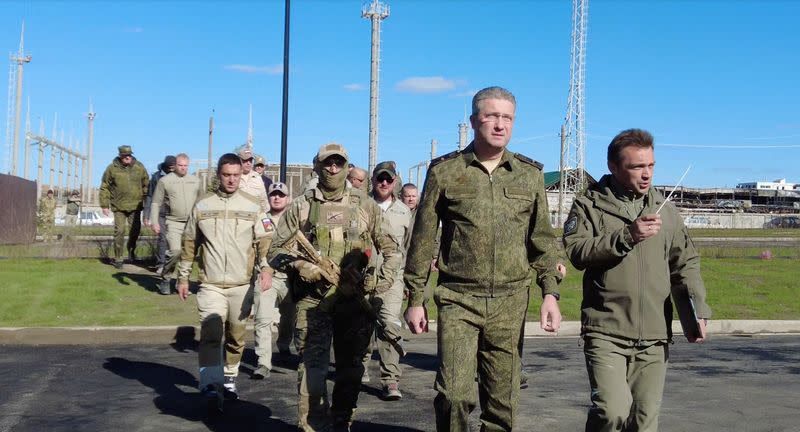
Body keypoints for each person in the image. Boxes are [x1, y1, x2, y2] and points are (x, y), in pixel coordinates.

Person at [403, 86, 563, 432]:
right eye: (491, 116)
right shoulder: (445, 172)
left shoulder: (529, 175)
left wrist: (550, 292)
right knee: (455, 395)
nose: (499, 124)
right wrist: (416, 298)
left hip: (510, 302)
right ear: (474, 120)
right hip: (459, 298)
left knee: (502, 402)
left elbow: (542, 240)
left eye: (507, 117)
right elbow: (423, 238)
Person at [562, 128, 712, 432]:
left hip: (655, 336)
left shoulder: (666, 210)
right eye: (636, 167)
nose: (646, 175)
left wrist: (697, 312)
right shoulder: (589, 205)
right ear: (614, 167)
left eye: (651, 166)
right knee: (612, 411)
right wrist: (627, 235)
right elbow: (577, 251)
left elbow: (685, 263)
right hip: (606, 330)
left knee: (643, 423)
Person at [268, 142, 402, 432]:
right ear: (317, 166)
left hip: (353, 302)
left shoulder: (363, 205)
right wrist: (302, 267)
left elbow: (392, 250)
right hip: (313, 303)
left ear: (346, 166)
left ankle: (342, 421)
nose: (333, 168)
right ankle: (314, 425)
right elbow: (275, 251)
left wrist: (378, 282)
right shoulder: (302, 206)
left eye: (338, 163)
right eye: (327, 163)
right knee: (313, 370)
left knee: (350, 371)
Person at [176, 153, 271, 407]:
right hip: (211, 284)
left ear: (242, 175)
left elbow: (265, 242)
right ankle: (209, 384)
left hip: (241, 283)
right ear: (219, 175)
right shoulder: (203, 204)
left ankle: (229, 378)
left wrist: (266, 268)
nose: (231, 180)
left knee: (236, 336)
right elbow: (188, 242)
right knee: (210, 333)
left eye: (236, 175)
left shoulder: (253, 205)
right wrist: (182, 276)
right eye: (226, 175)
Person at [362, 161, 412, 400]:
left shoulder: (404, 211)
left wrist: (410, 284)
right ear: (373, 180)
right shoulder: (362, 206)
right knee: (362, 327)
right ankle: (359, 369)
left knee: (389, 325)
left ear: (395, 182)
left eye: (388, 179)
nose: (384, 183)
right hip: (362, 278)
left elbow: (409, 247)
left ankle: (390, 379)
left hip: (393, 280)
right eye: (380, 179)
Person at [252, 181, 296, 379]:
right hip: (266, 275)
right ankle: (263, 363)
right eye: (273, 194)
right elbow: (256, 249)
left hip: (291, 278)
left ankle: (284, 345)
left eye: (281, 195)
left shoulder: (295, 220)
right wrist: (263, 271)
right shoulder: (260, 220)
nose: (277, 198)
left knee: (290, 317)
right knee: (263, 318)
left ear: (288, 198)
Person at [149, 153, 202, 295]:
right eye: (180, 165)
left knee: (188, 255)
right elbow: (155, 202)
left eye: (185, 166)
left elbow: (202, 202)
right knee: (175, 251)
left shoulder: (196, 181)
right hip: (173, 222)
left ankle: (182, 283)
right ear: (175, 165)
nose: (183, 168)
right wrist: (154, 222)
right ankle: (165, 278)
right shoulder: (165, 181)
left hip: (192, 223)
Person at [99, 145, 149, 269]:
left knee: (135, 232)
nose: (128, 157)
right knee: (119, 231)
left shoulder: (139, 167)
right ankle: (118, 258)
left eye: (129, 155)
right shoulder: (112, 169)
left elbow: (146, 184)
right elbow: (104, 187)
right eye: (125, 156)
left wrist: (146, 199)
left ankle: (131, 251)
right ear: (120, 156)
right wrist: (105, 205)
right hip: (119, 206)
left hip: (135, 206)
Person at [144, 155, 176, 273]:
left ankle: (172, 264)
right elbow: (150, 196)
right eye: (171, 168)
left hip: (175, 213)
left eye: (174, 167)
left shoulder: (180, 177)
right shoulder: (156, 177)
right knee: (162, 238)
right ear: (166, 166)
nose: (172, 170)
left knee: (173, 239)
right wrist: (146, 215)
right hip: (160, 212)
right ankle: (161, 264)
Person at [238, 147, 269, 212]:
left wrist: (266, 217)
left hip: (255, 217)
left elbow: (263, 200)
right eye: (245, 160)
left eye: (250, 160)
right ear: (239, 161)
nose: (248, 163)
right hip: (238, 216)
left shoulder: (257, 177)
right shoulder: (234, 176)